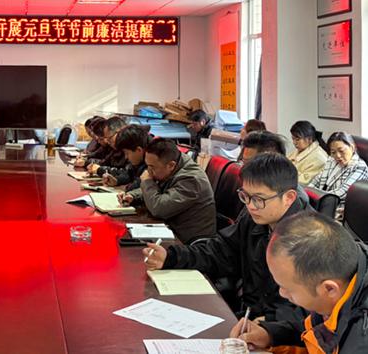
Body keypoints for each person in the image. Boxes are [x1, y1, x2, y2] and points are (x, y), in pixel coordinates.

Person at [144, 153, 312, 321]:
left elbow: (307, 310)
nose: (251, 206)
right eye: (245, 196)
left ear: (289, 197)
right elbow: (220, 252)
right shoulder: (255, 218)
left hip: (276, 327)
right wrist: (171, 257)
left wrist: (269, 327)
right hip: (248, 317)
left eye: (258, 199)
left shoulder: (309, 240)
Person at [230, 212, 368, 353]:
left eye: (288, 289)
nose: (282, 293)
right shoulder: (345, 274)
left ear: (329, 289)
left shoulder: (360, 342)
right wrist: (270, 335)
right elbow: (312, 328)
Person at [137, 138, 216, 244]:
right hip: (172, 229)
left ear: (171, 165)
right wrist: (133, 196)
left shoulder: (192, 179)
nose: (148, 172)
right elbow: (157, 188)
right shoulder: (171, 167)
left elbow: (159, 208)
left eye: (152, 167)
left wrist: (147, 182)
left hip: (190, 243)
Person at [309, 131, 368, 220]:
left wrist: (317, 195)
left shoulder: (360, 167)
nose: (338, 156)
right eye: (333, 152)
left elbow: (342, 192)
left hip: (338, 212)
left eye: (341, 151)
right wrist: (309, 191)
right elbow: (316, 180)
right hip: (321, 205)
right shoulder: (331, 161)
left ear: (352, 148)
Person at [111, 124, 150, 204]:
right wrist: (117, 180)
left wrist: (129, 190)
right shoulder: (139, 157)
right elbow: (129, 173)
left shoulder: (155, 160)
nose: (126, 157)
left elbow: (141, 185)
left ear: (139, 150)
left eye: (127, 153)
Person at [288, 121, 329, 186]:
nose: (294, 142)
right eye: (293, 139)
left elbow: (303, 182)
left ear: (309, 139)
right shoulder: (298, 150)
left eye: (297, 139)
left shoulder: (319, 158)